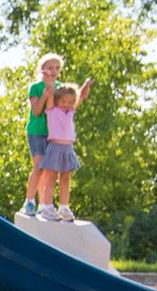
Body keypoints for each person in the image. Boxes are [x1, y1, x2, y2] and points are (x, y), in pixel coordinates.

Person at [38, 81, 92, 222]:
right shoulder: (52, 110)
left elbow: (80, 98)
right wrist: (49, 81)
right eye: (64, 101)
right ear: (57, 100)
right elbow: (50, 95)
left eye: (70, 102)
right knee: (51, 177)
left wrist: (84, 87)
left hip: (68, 148)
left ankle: (63, 207)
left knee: (66, 178)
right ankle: (47, 207)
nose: (67, 104)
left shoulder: (71, 111)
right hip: (55, 146)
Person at [22, 54, 62, 218]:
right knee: (39, 166)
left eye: (57, 68)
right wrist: (46, 94)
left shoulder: (61, 88)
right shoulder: (36, 88)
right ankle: (29, 201)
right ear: (43, 69)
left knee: (50, 170)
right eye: (50, 67)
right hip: (37, 132)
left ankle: (45, 204)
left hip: (53, 134)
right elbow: (37, 111)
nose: (53, 71)